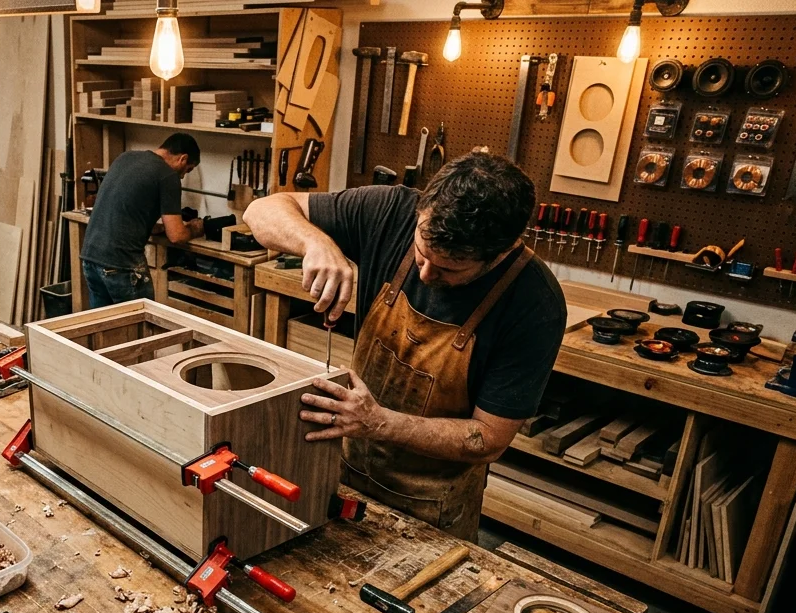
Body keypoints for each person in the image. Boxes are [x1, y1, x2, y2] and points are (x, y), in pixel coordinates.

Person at [242, 152, 566, 541]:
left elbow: (488, 440)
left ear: (503, 251)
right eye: (420, 252)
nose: (425, 274)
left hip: (430, 507)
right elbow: (262, 210)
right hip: (344, 469)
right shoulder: (392, 210)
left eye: (449, 269)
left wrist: (378, 423)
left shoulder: (533, 302)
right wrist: (317, 243)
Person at [80, 133, 205, 307]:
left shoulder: (126, 157)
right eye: (188, 170)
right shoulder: (168, 175)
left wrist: (154, 228)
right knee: (141, 329)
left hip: (90, 257)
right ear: (183, 159)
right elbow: (177, 236)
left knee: (104, 328)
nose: (183, 176)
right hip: (121, 264)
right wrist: (195, 228)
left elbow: (127, 207)